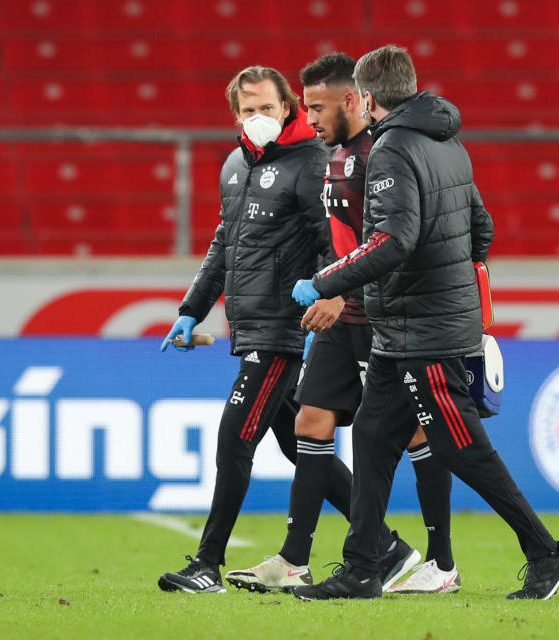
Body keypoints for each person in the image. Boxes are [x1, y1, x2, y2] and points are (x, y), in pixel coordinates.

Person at [291, 45, 559, 601]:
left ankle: (548, 554)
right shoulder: (448, 143)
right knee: (374, 439)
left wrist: (326, 282)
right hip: (411, 326)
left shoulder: (392, 148)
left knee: (461, 446)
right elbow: (482, 229)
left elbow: (391, 241)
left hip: (422, 328)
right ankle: (362, 568)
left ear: (368, 97)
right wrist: (452, 282)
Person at [226, 53, 458, 595]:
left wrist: (338, 287)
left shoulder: (384, 153)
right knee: (310, 422)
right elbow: (342, 239)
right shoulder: (334, 155)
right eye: (305, 108)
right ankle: (294, 559)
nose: (308, 119)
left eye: (317, 107)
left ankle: (439, 563)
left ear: (353, 100)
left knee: (423, 430)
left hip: (378, 313)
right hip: (342, 312)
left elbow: (392, 242)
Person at [156, 66, 354, 594]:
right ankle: (383, 543)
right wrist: (191, 309)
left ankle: (207, 565)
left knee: (233, 438)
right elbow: (225, 244)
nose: (258, 118)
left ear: (288, 107)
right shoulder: (235, 164)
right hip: (252, 324)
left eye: (267, 108)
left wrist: (332, 295)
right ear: (235, 115)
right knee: (297, 446)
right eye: (248, 111)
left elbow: (330, 240)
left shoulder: (312, 162)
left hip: (284, 328)